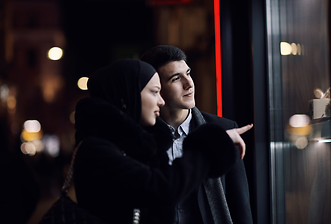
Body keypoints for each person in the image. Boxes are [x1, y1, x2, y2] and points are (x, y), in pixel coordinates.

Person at [72, 58, 246, 224]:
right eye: (155, 92)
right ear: (129, 95)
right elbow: (161, 188)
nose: (161, 101)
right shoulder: (96, 150)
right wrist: (214, 144)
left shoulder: (129, 146)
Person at [141, 45, 253, 224]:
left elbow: (240, 205)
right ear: (157, 87)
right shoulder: (141, 137)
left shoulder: (223, 130)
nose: (189, 83)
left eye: (188, 73)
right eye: (176, 78)